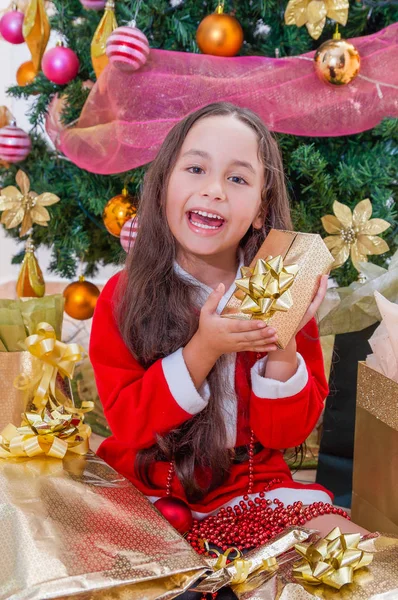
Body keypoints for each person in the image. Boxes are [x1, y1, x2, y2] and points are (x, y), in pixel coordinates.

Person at [90, 102, 366, 537]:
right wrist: (205, 348)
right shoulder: (124, 296)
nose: (214, 190)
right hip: (147, 490)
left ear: (260, 209)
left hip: (252, 489)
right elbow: (129, 424)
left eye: (237, 179)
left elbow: (284, 433)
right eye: (196, 169)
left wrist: (284, 343)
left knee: (346, 552)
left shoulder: (284, 287)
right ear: (163, 187)